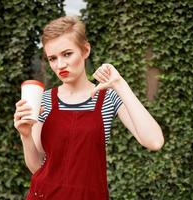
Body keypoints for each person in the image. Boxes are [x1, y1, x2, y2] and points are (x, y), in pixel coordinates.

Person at [14, 16, 164, 200]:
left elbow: (154, 141)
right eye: (53, 58)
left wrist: (119, 84)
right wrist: (25, 135)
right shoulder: (44, 100)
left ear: (85, 50)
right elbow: (37, 167)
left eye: (67, 54)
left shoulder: (108, 98)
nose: (60, 65)